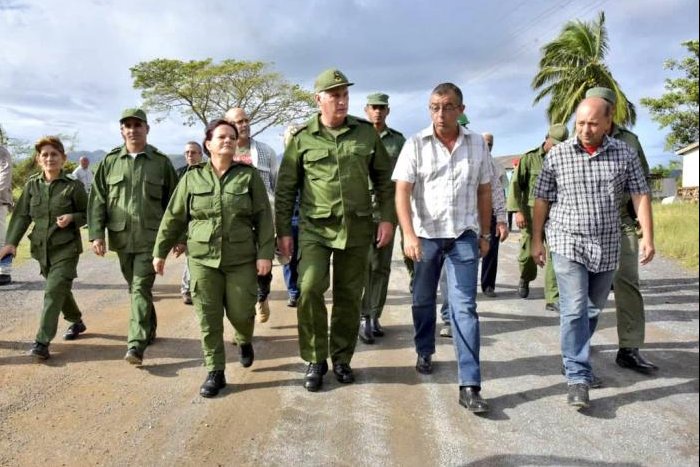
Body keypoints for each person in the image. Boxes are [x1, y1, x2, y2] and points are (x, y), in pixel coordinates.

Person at [275, 68, 395, 392]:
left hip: (356, 228)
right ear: (319, 100)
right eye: (334, 95)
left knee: (348, 296)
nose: (341, 101)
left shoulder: (365, 134)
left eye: (344, 95)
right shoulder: (302, 139)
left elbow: (385, 180)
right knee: (310, 287)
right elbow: (286, 189)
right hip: (315, 228)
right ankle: (316, 358)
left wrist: (386, 218)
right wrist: (284, 231)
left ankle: (342, 358)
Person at [531, 96, 654, 409]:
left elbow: (640, 195)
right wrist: (536, 240)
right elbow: (542, 200)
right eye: (581, 123)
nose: (585, 129)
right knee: (573, 307)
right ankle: (577, 377)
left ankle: (574, 355)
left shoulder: (625, 154)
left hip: (607, 243)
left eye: (593, 124)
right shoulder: (557, 155)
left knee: (593, 309)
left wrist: (648, 237)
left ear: (608, 123)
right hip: (567, 239)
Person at [153, 119, 274, 397]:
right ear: (208, 144)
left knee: (242, 312)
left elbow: (264, 218)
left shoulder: (248, 176)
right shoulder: (191, 177)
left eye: (232, 137)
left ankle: (244, 339)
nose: (228, 141)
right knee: (208, 316)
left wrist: (265, 254)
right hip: (202, 259)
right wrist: (160, 251)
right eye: (221, 137)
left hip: (240, 258)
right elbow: (173, 217)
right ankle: (215, 371)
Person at [393, 82, 493, 413]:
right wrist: (408, 235)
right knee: (423, 300)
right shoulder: (415, 144)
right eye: (434, 106)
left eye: (448, 107)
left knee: (464, 308)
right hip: (425, 236)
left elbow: (484, 191)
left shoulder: (477, 144)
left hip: (463, 235)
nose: (440, 113)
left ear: (461, 111)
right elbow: (402, 192)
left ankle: (470, 384)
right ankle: (425, 347)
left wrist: (485, 233)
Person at [88, 108, 178, 366]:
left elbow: (175, 203)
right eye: (127, 125)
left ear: (147, 129)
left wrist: (179, 236)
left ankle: (135, 345)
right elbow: (98, 200)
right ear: (121, 130)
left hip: (151, 239)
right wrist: (97, 234)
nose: (132, 129)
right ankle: (149, 328)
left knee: (139, 287)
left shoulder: (160, 162)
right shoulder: (110, 161)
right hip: (121, 238)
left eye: (137, 125)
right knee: (136, 287)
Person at [586, 86, 659, 374]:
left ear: (610, 112)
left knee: (628, 284)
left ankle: (629, 348)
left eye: (601, 107)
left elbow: (641, 189)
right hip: (586, 225)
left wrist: (647, 234)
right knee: (587, 289)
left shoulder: (629, 142)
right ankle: (579, 344)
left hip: (620, 223)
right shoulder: (579, 137)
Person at [0, 136, 88, 360]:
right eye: (45, 155)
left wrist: (72, 217)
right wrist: (10, 243)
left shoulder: (73, 186)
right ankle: (76, 321)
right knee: (59, 289)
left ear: (63, 158)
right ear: (39, 160)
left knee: (53, 290)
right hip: (42, 249)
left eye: (54, 154)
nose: (49, 158)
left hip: (66, 249)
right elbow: (21, 216)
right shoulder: (32, 185)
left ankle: (42, 342)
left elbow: (88, 215)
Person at [358, 92, 406, 344]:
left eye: (382, 108)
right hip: (359, 210)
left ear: (388, 111)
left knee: (381, 266)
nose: (377, 112)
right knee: (361, 265)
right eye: (374, 108)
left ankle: (374, 314)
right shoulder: (357, 137)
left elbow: (405, 177)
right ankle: (362, 315)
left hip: (386, 211)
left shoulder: (397, 141)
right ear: (366, 110)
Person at [224, 107, 278, 325]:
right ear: (228, 125)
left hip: (264, 219)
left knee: (263, 267)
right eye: (238, 121)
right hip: (236, 222)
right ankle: (244, 321)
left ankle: (262, 295)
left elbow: (278, 185)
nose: (244, 125)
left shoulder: (266, 151)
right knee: (241, 271)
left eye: (246, 120)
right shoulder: (224, 152)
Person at [507, 124, 569, 311]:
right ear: (546, 138)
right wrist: (517, 211)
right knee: (527, 256)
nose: (557, 147)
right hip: (531, 215)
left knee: (555, 256)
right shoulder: (530, 158)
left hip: (555, 216)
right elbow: (516, 185)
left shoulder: (566, 159)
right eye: (555, 143)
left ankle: (552, 297)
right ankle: (525, 278)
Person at [479, 132, 509, 297]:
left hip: (490, 215)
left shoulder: (496, 167)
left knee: (491, 250)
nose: (487, 146)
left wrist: (501, 220)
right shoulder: (471, 161)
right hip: (470, 215)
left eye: (489, 144)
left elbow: (499, 194)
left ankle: (488, 285)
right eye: (484, 142)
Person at [175, 141, 204, 305]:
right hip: (185, 222)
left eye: (193, 152)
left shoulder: (208, 173)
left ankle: (194, 288)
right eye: (187, 153)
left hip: (201, 221)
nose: (190, 156)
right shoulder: (179, 174)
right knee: (190, 257)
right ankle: (187, 289)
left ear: (201, 154)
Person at [280, 125, 303, 308]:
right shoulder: (280, 165)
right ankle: (293, 292)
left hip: (308, 221)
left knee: (306, 258)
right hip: (289, 221)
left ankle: (304, 289)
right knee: (288, 259)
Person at [0, 142, 13, 286]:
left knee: (1, 239)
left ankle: (4, 272)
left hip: (0, 201)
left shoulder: (2, 153)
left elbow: (5, 176)